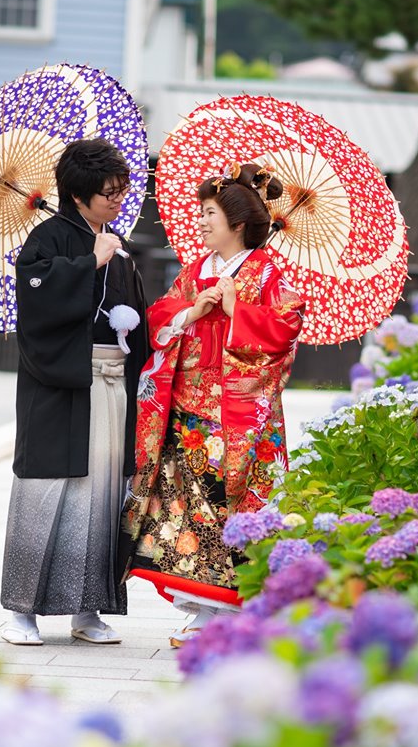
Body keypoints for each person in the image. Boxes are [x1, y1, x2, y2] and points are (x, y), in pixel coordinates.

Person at [119, 161, 305, 646]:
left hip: (235, 418)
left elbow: (284, 330)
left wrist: (234, 311)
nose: (200, 221)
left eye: (208, 214)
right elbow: (159, 316)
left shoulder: (267, 272)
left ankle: (227, 614)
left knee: (228, 508)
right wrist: (191, 310)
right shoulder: (196, 271)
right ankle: (203, 613)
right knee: (185, 509)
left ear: (237, 224)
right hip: (187, 411)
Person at [0, 138, 149, 645]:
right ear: (78, 197)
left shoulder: (114, 242)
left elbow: (134, 326)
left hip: (110, 385)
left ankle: (88, 610)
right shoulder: (48, 239)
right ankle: (22, 611)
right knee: (45, 492)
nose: (118, 200)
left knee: (104, 494)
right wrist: (90, 264)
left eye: (121, 190)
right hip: (60, 383)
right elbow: (36, 308)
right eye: (108, 192)